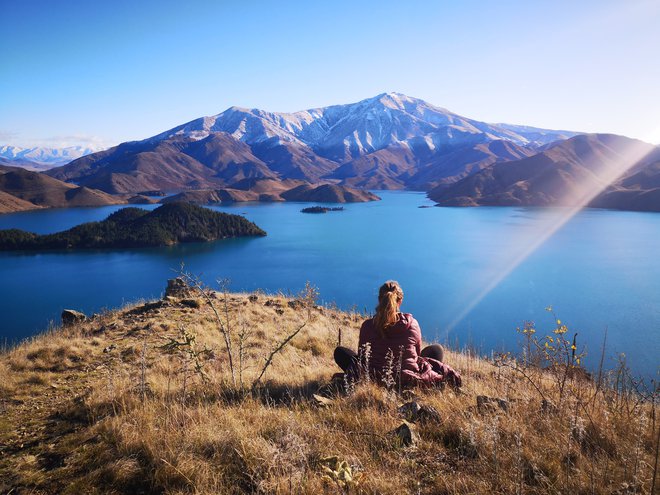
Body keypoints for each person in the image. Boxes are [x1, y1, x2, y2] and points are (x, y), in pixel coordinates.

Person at [334, 280, 461, 389]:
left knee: (340, 352)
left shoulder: (367, 325)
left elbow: (363, 357)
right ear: (400, 301)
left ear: (379, 300)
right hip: (407, 379)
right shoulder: (412, 324)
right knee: (436, 349)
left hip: (373, 377)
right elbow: (416, 355)